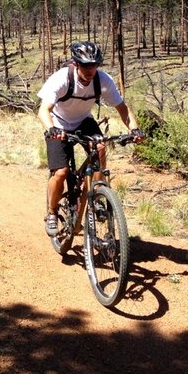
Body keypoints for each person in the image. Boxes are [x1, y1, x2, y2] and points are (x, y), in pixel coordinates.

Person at [37, 40, 143, 237]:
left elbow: (122, 108)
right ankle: (52, 213)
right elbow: (44, 110)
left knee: (101, 147)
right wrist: (51, 129)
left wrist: (134, 128)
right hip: (58, 124)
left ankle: (96, 195)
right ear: (76, 64)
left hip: (83, 121)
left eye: (94, 65)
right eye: (85, 66)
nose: (90, 70)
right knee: (60, 172)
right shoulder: (62, 79)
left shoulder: (102, 80)